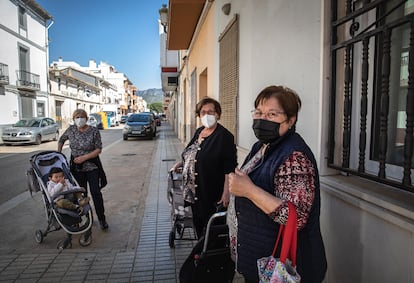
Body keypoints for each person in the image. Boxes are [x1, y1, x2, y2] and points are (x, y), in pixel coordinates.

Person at [228, 85, 327, 283]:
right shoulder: (262, 146)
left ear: (290, 120)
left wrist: (249, 191)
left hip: (283, 267)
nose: (262, 119)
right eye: (258, 112)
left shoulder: (294, 157)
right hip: (262, 261)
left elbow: (296, 218)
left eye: (272, 114)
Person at [171, 96, 237, 238]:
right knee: (198, 224)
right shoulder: (199, 131)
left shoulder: (225, 137)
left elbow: (229, 169)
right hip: (193, 193)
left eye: (211, 112)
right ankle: (200, 254)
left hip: (211, 192)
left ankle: (208, 257)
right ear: (199, 115)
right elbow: (191, 152)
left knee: (210, 230)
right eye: (203, 112)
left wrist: (226, 193)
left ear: (218, 114)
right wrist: (181, 163)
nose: (207, 115)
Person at [58, 109, 109, 230]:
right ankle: (86, 218)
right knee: (80, 194)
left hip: (92, 166)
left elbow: (98, 149)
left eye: (82, 117)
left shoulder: (93, 131)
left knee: (96, 193)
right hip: (76, 168)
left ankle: (102, 219)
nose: (79, 119)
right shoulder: (71, 130)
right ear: (73, 118)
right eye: (77, 117)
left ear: (86, 118)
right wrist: (58, 154)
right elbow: (61, 139)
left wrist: (84, 158)